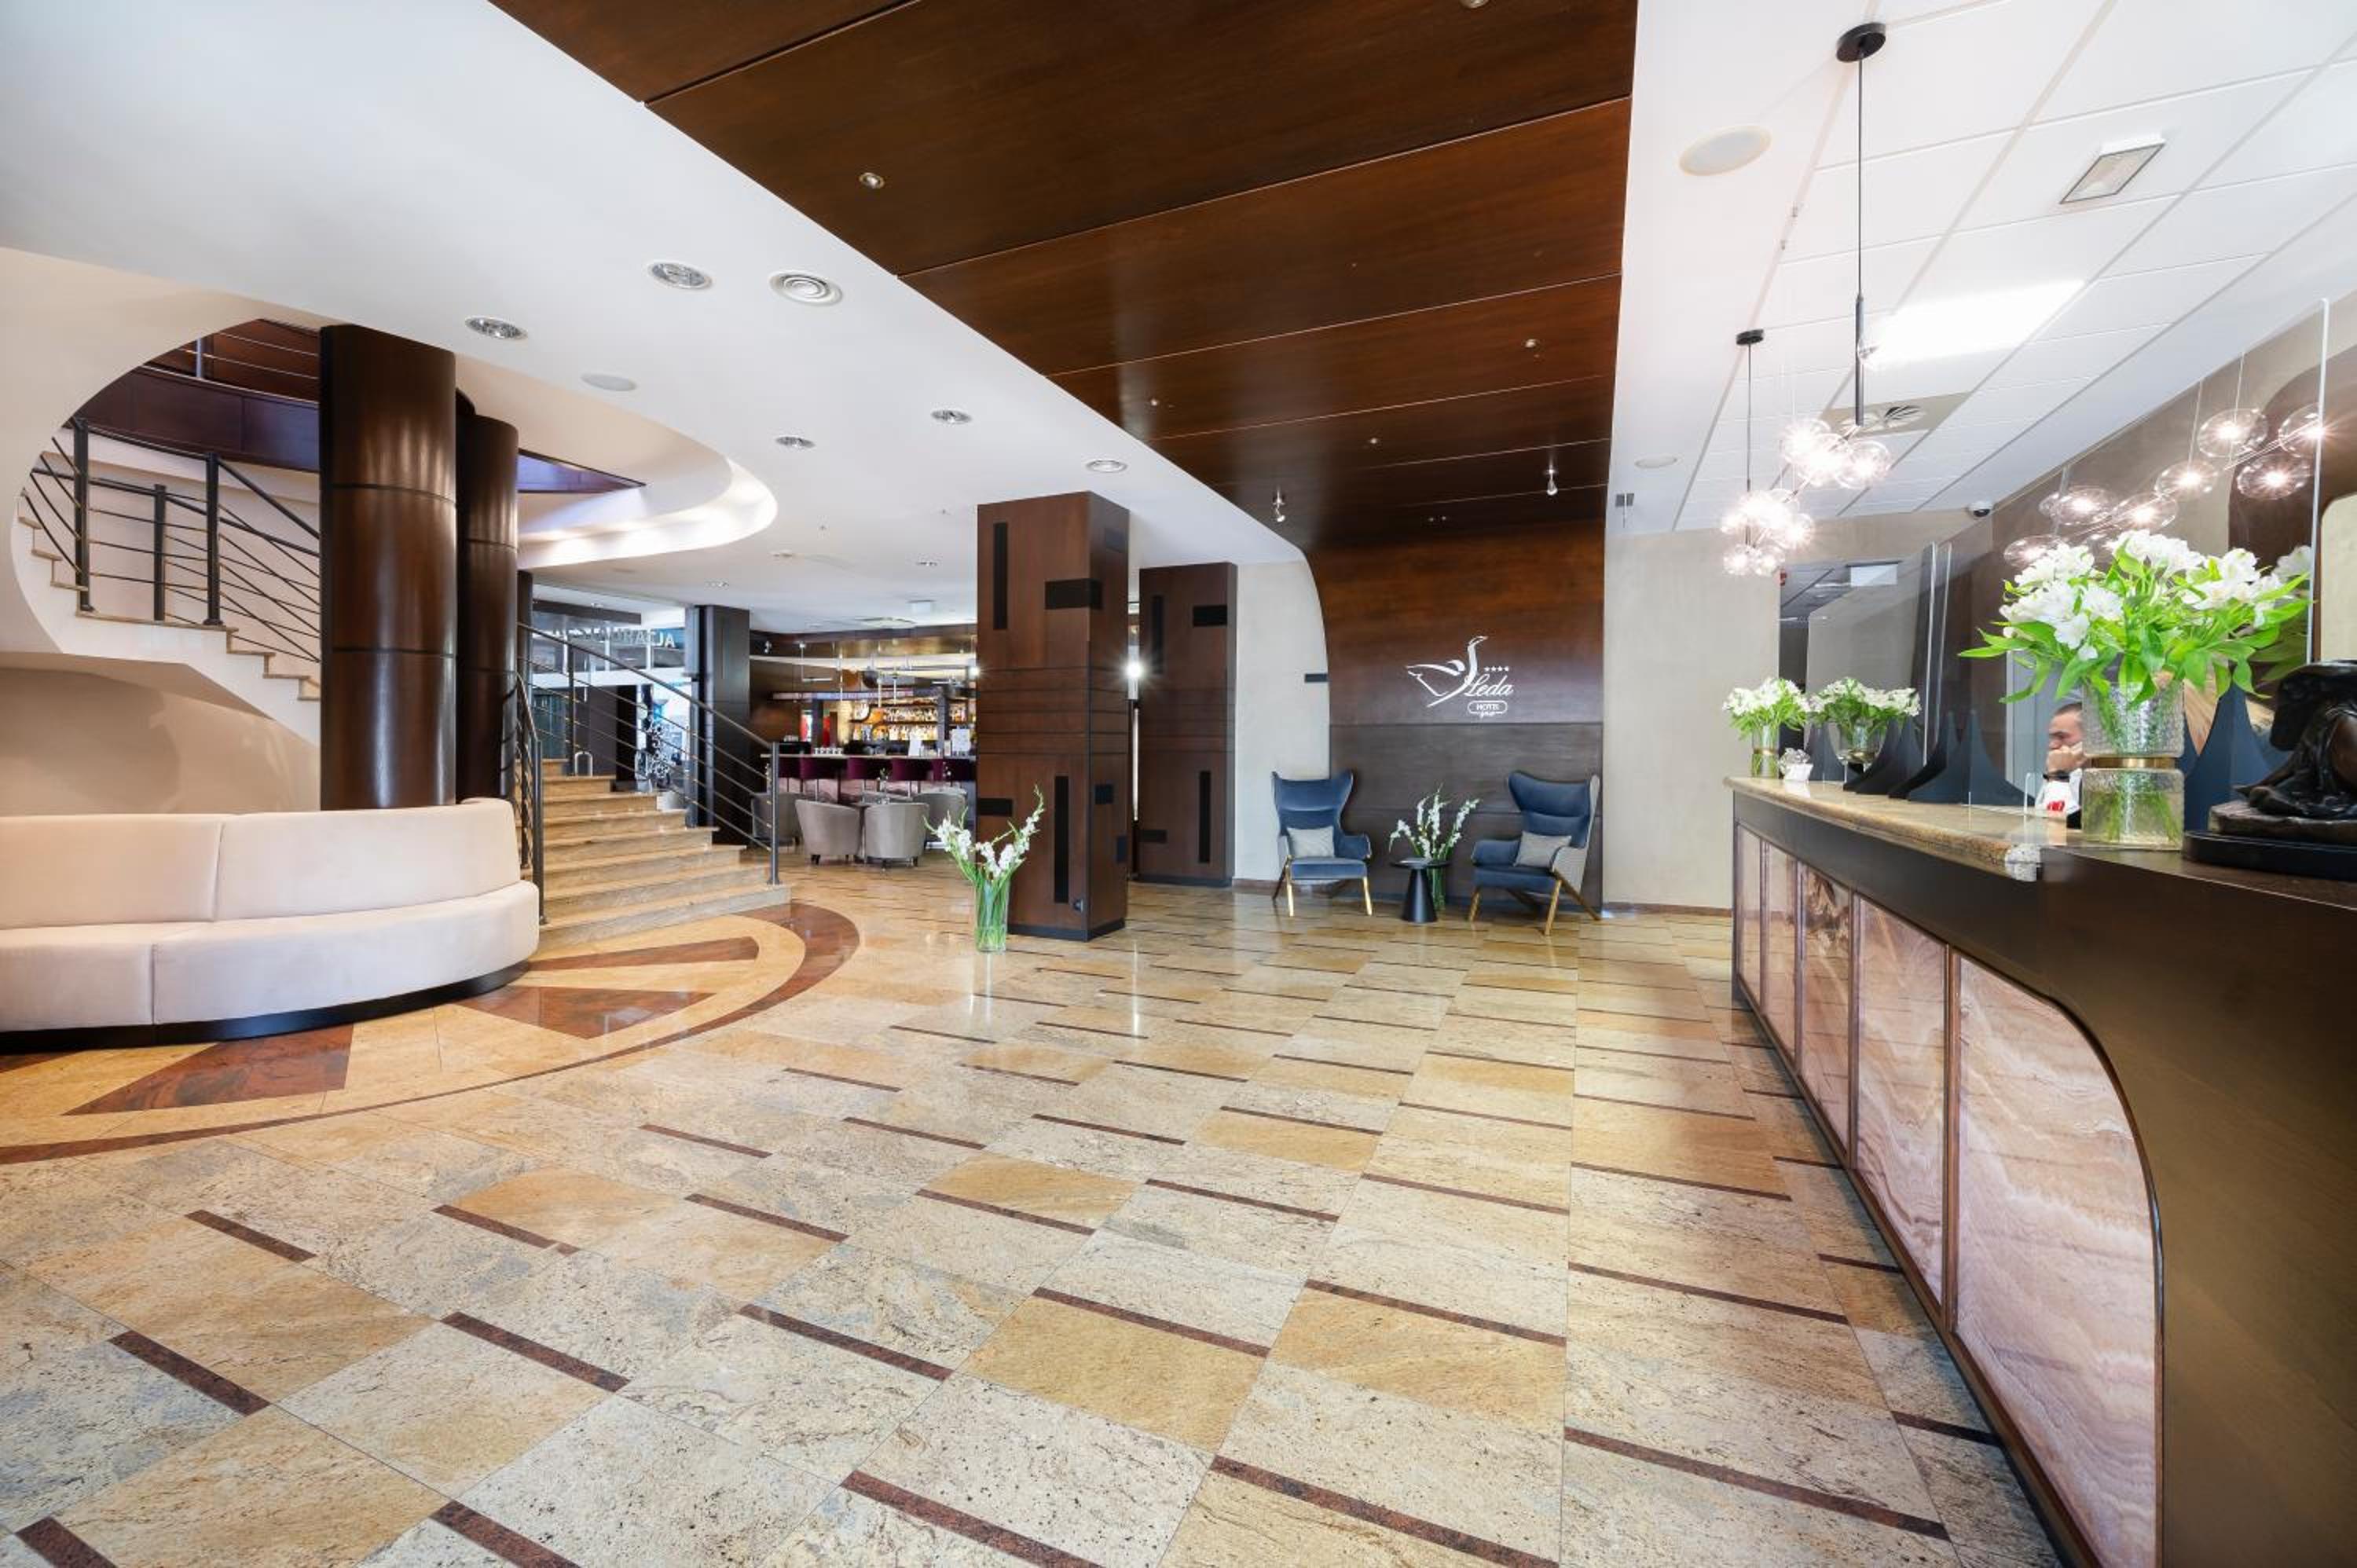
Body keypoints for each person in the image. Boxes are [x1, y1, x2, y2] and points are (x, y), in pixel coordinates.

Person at [2041, 701, 2084, 814]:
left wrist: (2057, 776)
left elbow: (2058, 820)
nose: (2052, 745)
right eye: (2052, 738)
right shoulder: (2071, 775)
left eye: (2061, 737)